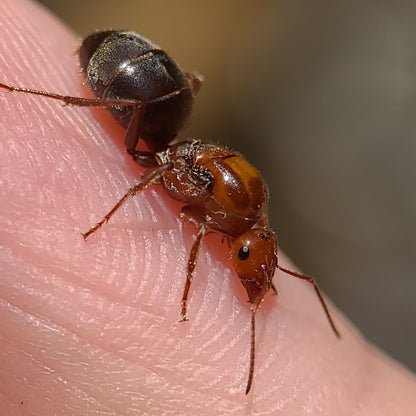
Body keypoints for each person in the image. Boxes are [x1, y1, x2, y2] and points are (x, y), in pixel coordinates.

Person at [0, 0, 415, 414]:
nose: (247, 265)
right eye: (249, 258)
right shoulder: (229, 210)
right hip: (134, 81)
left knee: (175, 98)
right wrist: (115, 212)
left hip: (165, 102)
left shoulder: (250, 206)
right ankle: (26, 91)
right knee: (141, 112)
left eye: (249, 258)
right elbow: (191, 215)